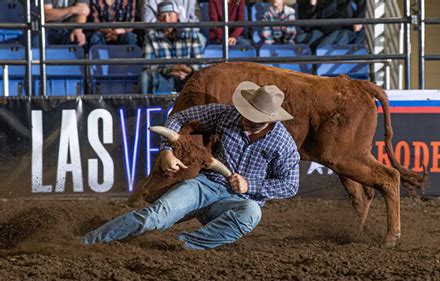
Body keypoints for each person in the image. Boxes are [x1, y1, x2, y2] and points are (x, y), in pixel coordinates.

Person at [80, 81, 300, 250]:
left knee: (251, 212)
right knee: (154, 216)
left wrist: (250, 185)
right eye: (245, 112)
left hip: (237, 201)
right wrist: (166, 149)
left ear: (270, 120)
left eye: (253, 118)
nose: (245, 118)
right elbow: (178, 118)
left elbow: (290, 185)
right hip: (204, 185)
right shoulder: (226, 114)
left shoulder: (283, 144)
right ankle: (88, 241)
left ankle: (180, 245)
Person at [138, 2, 203, 94]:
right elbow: (148, 65)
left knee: (201, 76)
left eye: (170, 15)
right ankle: (144, 106)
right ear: (158, 19)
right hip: (164, 77)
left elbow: (199, 61)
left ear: (177, 16)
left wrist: (188, 69)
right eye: (163, 16)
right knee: (145, 76)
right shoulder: (151, 36)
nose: (167, 20)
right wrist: (171, 69)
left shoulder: (190, 33)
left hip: (187, 76)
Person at [296, 0, 366, 50]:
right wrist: (312, 5)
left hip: (343, 28)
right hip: (320, 30)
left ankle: (317, 67)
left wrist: (359, 19)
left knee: (324, 46)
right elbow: (306, 26)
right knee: (300, 40)